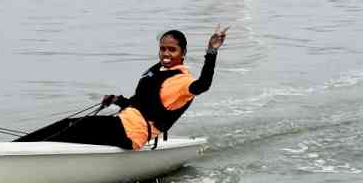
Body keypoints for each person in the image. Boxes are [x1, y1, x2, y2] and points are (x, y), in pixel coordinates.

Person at [15, 26, 228, 150]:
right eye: (162, 48)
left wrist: (211, 51)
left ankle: (17, 152)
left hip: (132, 134)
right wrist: (117, 100)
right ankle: (15, 148)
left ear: (182, 52)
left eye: (172, 49)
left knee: (73, 128)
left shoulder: (181, 80)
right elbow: (141, 104)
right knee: (69, 124)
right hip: (121, 124)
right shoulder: (158, 70)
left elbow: (203, 85)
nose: (166, 53)